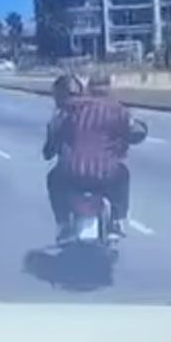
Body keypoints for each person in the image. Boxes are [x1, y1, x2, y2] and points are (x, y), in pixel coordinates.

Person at [44, 72, 134, 242]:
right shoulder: (118, 110)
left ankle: (63, 223)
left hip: (71, 173)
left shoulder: (68, 110)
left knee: (53, 178)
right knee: (123, 174)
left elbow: (50, 148)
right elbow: (129, 134)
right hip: (106, 173)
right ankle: (117, 220)